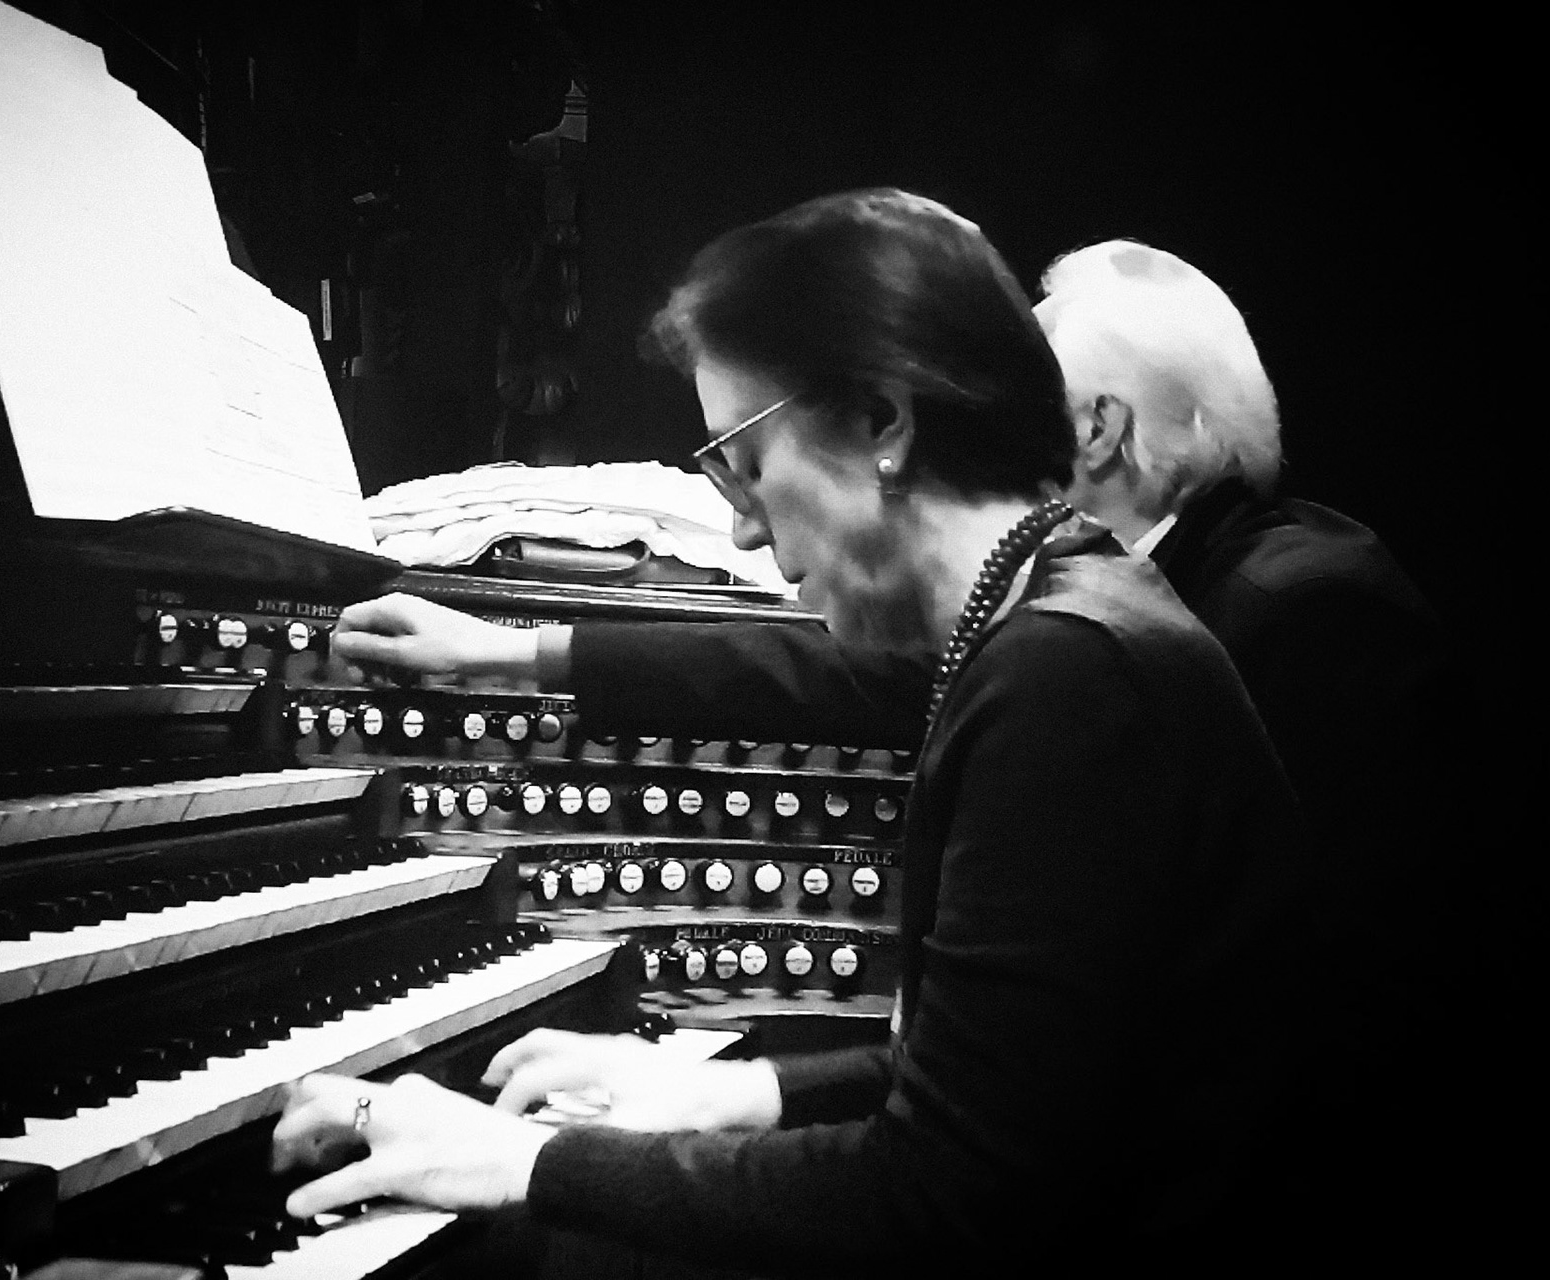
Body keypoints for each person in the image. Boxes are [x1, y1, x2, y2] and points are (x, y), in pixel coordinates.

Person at [270, 189, 1316, 1276]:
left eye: (741, 460)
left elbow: (948, 1197)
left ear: (882, 422)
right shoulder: (1064, 600)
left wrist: (527, 1158)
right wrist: (730, 1088)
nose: (738, 522)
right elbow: (1014, 1086)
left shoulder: (1065, 673)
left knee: (537, 1251)